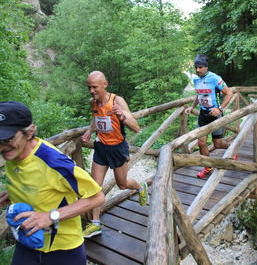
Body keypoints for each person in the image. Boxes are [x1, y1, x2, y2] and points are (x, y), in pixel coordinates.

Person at [0, 101, 105, 265]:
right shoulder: (13, 153)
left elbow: (97, 197)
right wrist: (15, 192)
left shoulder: (53, 161)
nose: (2, 146)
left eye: (8, 138)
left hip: (63, 250)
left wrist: (51, 216)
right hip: (27, 242)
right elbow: (39, 184)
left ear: (29, 132)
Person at [81, 71, 149, 238]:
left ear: (105, 84)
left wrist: (121, 116)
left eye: (94, 87)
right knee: (94, 187)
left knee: (123, 185)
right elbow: (95, 118)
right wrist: (90, 131)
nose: (91, 91)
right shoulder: (93, 102)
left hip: (117, 148)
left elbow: (136, 127)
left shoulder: (117, 101)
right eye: (89, 87)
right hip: (101, 148)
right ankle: (95, 224)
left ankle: (141, 188)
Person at [185, 54, 236, 178]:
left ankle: (232, 147)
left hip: (215, 115)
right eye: (196, 67)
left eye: (200, 67)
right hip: (203, 115)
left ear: (206, 67)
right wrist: (192, 107)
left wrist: (220, 109)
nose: (198, 70)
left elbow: (229, 93)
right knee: (201, 142)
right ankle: (208, 167)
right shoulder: (196, 79)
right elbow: (199, 94)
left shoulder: (215, 78)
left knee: (217, 144)